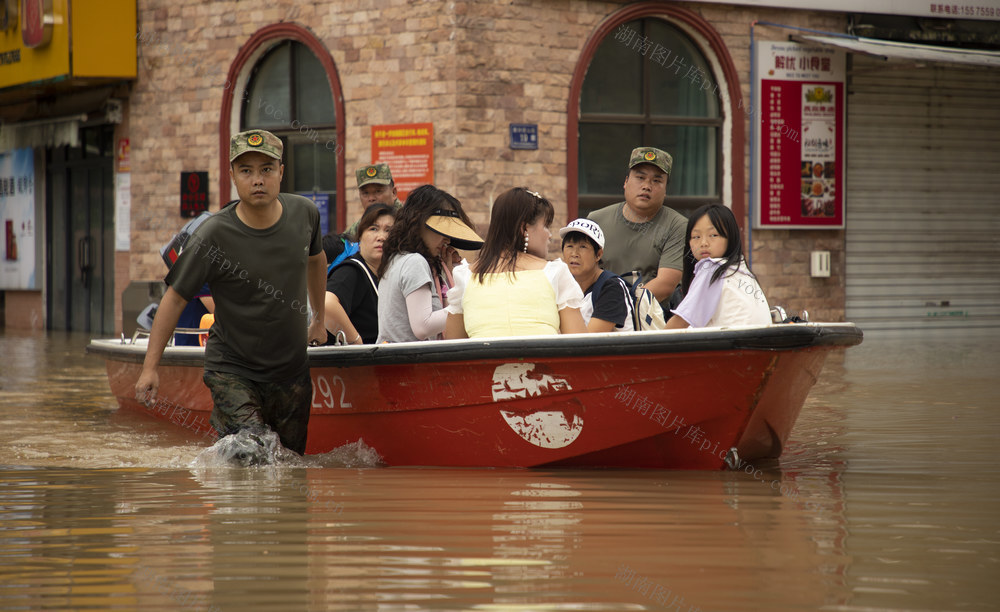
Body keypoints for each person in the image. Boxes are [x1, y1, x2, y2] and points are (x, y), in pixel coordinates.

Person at [134, 129, 327, 455]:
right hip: (233, 370)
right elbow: (175, 298)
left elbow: (316, 260)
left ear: (281, 172)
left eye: (266, 169)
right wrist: (150, 367)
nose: (258, 180)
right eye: (246, 171)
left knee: (290, 464)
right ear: (233, 177)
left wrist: (318, 320)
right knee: (252, 450)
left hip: (291, 371)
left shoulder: (304, 213)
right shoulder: (212, 235)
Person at [445, 187, 587, 339]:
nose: (550, 235)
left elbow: (453, 346)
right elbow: (579, 344)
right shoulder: (554, 273)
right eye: (546, 225)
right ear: (524, 228)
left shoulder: (466, 277)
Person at [377, 185, 481, 343]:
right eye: (442, 231)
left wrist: (449, 271)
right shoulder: (414, 262)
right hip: (410, 357)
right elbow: (423, 326)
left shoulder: (398, 259)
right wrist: (469, 302)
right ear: (419, 224)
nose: (447, 240)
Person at [587, 146, 687, 306]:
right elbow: (583, 273)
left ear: (665, 189)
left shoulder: (677, 226)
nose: (647, 186)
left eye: (656, 180)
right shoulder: (596, 220)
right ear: (626, 182)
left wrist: (622, 308)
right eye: (640, 178)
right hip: (598, 310)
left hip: (651, 315)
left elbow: (665, 285)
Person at [666, 203, 771, 329]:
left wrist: (652, 339)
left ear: (730, 237)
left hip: (732, 340)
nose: (703, 243)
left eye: (713, 235)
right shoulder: (742, 271)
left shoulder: (711, 269)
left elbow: (680, 322)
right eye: (696, 237)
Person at [324, 202, 395, 345]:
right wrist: (356, 342)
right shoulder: (352, 270)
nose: (381, 237)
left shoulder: (387, 274)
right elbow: (326, 305)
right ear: (360, 238)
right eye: (373, 229)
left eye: (388, 231)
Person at [559, 218, 634, 333]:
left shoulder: (612, 287)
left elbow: (589, 341)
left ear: (598, 254)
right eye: (570, 246)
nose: (574, 254)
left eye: (583, 247)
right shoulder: (563, 284)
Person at [344, 163, 403, 238]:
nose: (371, 198)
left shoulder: (407, 221)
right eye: (366, 193)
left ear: (393, 193)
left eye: (378, 191)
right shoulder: (359, 227)